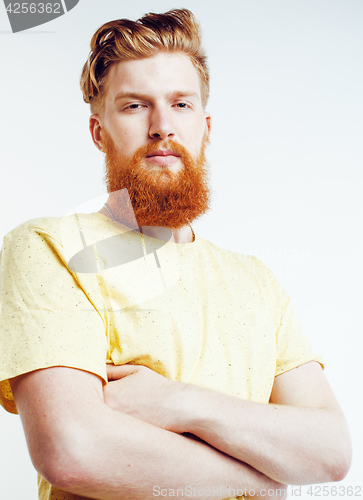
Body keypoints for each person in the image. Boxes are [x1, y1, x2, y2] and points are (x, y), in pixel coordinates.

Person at [0, 8, 352, 500]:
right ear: (98, 132)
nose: (162, 126)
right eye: (134, 106)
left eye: (181, 105)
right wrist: (263, 479)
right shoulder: (48, 249)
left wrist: (174, 401)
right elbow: (72, 449)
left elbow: (331, 452)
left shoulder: (257, 283)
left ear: (205, 127)